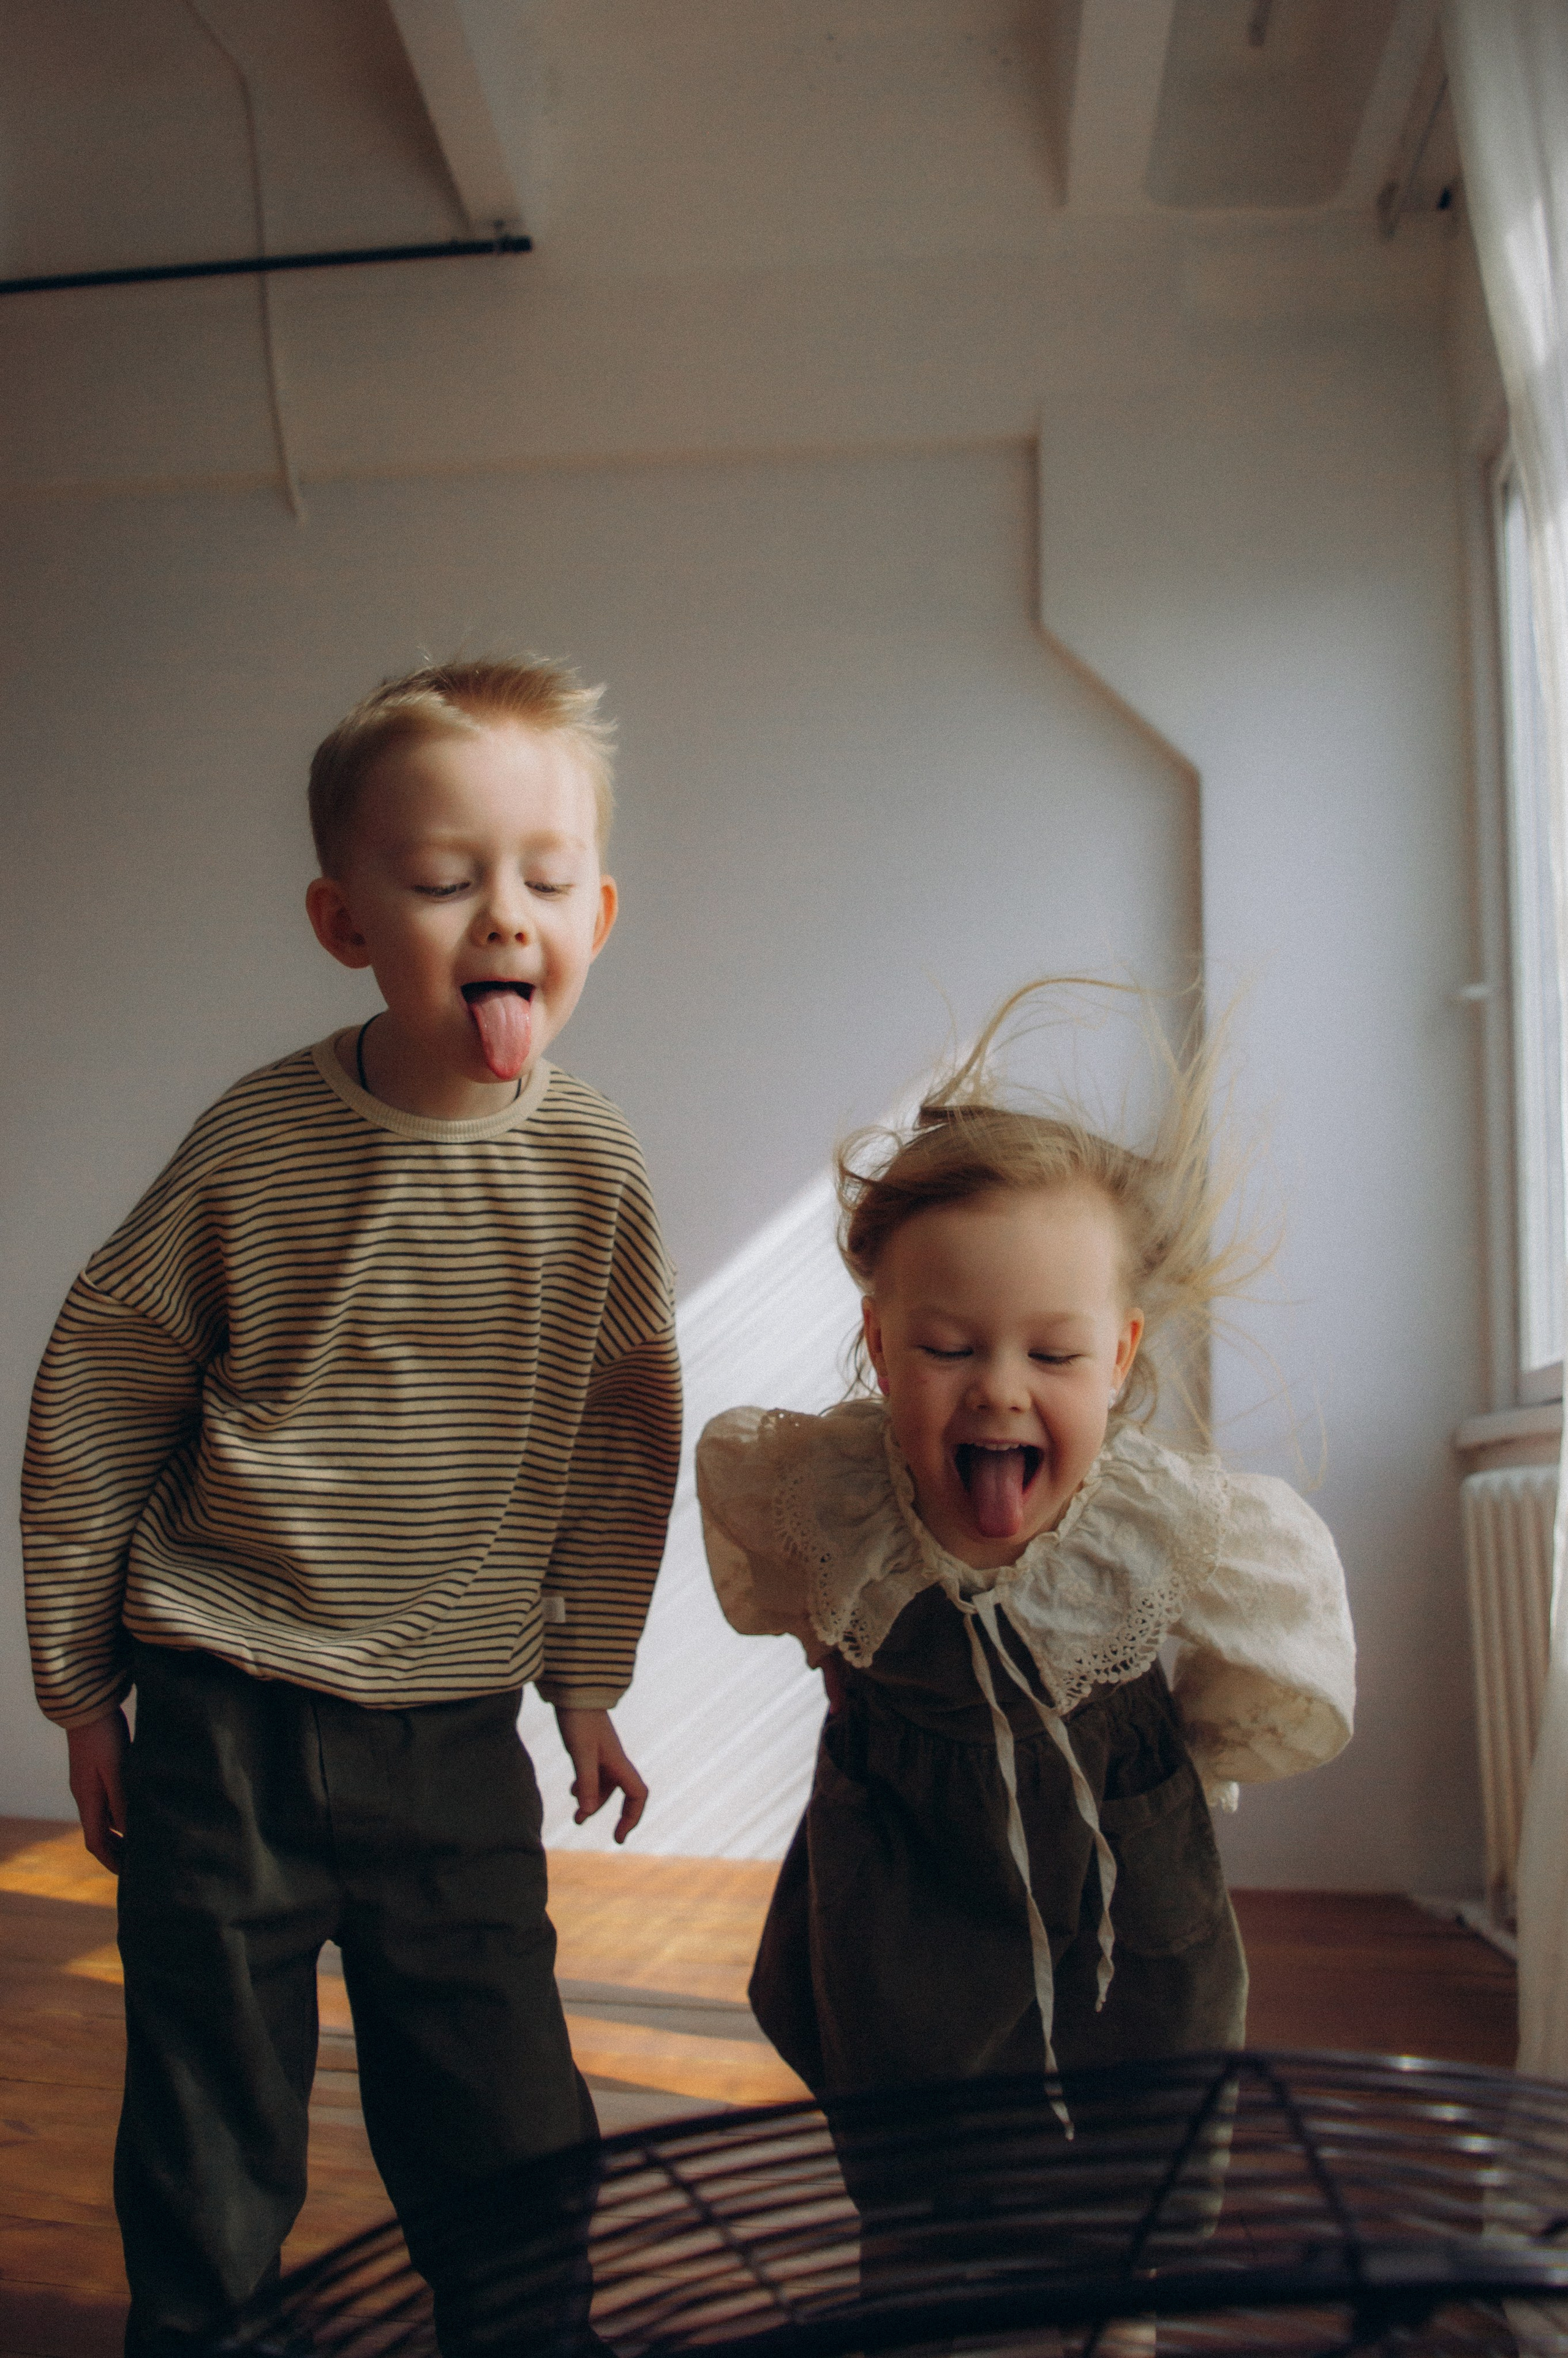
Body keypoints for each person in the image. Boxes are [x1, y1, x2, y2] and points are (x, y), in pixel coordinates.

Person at [21, 657, 682, 2358]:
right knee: (209, 2112)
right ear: (344, 919)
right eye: (448, 879)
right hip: (224, 1709)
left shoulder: (591, 1166)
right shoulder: (256, 1146)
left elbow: (625, 1435)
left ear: (598, 906)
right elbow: (107, 1383)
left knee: (505, 2110)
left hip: (452, 1728)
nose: (503, 917)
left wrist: (586, 1675)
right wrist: (81, 1680)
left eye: (545, 878)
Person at [698, 978, 1355, 2110]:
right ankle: (921, 2261)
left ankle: (1123, 2281)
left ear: (1118, 1355)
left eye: (1053, 1356)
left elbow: (1268, 1665)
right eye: (950, 1346)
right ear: (883, 1342)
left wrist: (1183, 1755)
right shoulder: (826, 1490)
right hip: (906, 1883)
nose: (1000, 1390)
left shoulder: (1168, 1522)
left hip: (1123, 1883)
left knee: (1148, 2095)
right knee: (908, 2110)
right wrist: (843, 1671)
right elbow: (799, 1591)